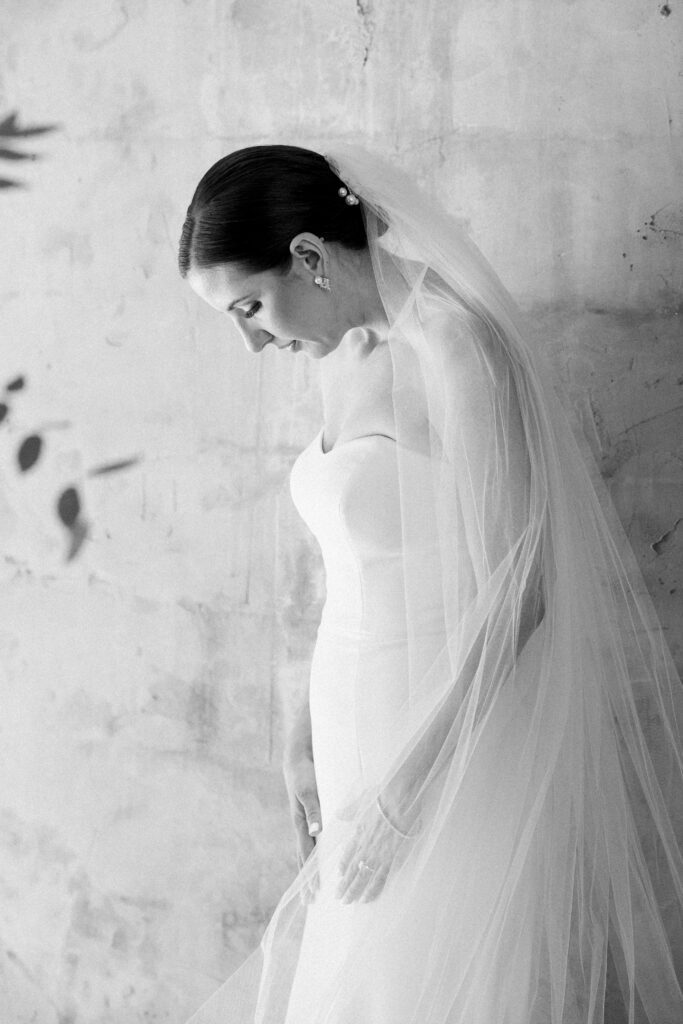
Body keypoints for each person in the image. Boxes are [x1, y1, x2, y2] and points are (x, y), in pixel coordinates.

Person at [177, 144, 683, 1024]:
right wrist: (301, 739)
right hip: (348, 724)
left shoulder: (459, 350)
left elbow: (518, 592)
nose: (253, 339)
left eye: (249, 307)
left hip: (445, 729)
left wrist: (409, 789)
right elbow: (350, 569)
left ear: (308, 256)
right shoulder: (335, 350)